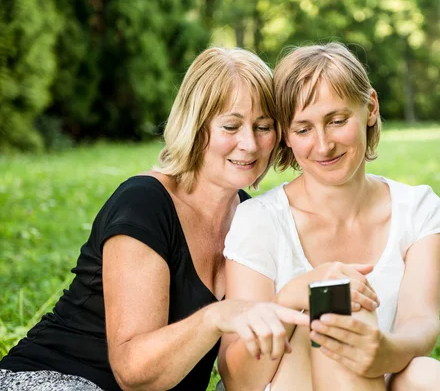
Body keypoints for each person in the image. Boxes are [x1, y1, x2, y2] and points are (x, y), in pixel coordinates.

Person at [0, 47, 308, 391]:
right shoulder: (145, 202)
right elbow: (132, 372)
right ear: (196, 126)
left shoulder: (254, 220)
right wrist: (215, 317)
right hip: (55, 379)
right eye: (231, 126)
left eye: (263, 126)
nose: (249, 144)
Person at [218, 42, 440, 390]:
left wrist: (382, 351)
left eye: (337, 121)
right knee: (335, 302)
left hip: (376, 381)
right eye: (303, 129)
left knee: (422, 375)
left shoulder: (416, 210)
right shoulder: (260, 220)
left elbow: (421, 325)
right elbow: (238, 381)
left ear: (370, 108)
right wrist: (290, 299)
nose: (323, 145)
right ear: (286, 136)